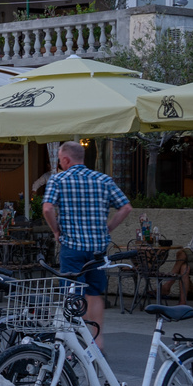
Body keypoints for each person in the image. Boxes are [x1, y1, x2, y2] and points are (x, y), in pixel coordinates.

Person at [42, 141, 132, 350]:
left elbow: (47, 209)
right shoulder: (103, 179)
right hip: (97, 249)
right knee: (94, 293)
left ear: (65, 159)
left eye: (60, 160)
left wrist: (56, 230)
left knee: (73, 294)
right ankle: (96, 340)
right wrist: (108, 228)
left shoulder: (59, 179)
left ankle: (76, 343)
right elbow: (125, 207)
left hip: (72, 246)